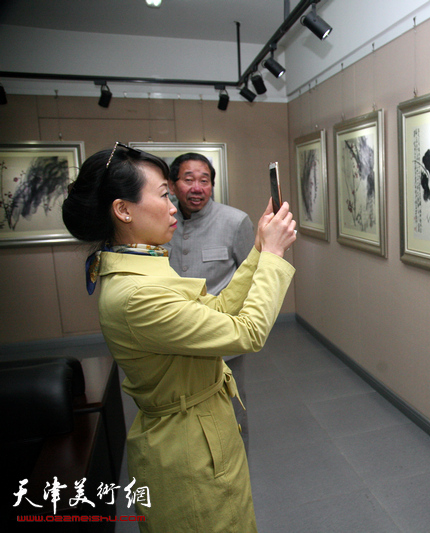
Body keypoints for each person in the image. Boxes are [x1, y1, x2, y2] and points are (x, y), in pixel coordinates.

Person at [62, 142, 296, 532]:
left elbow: (215, 311)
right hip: (187, 450)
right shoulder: (138, 294)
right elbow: (247, 331)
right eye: (162, 195)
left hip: (203, 425)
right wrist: (273, 257)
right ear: (123, 210)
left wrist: (258, 249)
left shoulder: (146, 265)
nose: (173, 207)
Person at [163, 152, 254, 452]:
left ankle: (237, 459)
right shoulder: (161, 222)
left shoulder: (235, 221)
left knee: (230, 404)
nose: (197, 188)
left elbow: (250, 276)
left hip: (220, 338)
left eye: (204, 181)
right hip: (173, 338)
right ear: (173, 185)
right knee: (180, 409)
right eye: (188, 180)